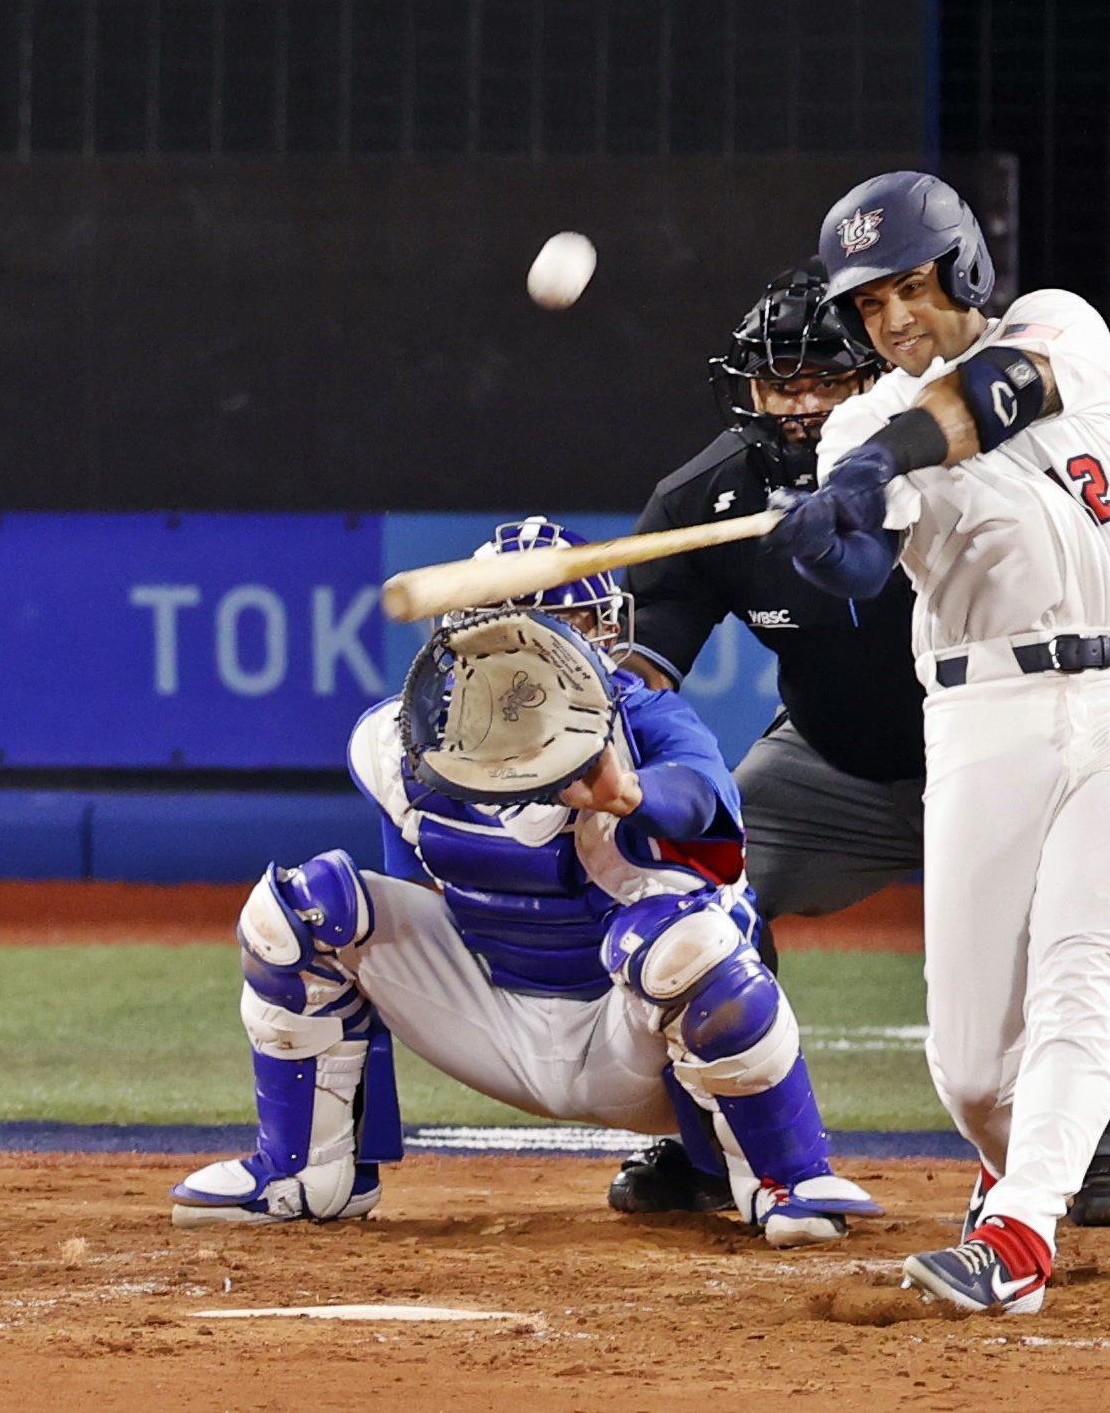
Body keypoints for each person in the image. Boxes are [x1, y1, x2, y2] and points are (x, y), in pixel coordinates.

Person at [608, 260, 1110, 1231]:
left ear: (871, 372)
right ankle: (717, 1134)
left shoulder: (935, 439)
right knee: (696, 883)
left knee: (1081, 912)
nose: (798, 402)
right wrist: (582, 710)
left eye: (822, 378)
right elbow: (645, 673)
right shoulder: (704, 499)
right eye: (775, 381)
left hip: (998, 743)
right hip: (831, 763)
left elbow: (889, 546)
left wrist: (851, 506)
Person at [170, 518, 880, 1249]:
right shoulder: (398, 740)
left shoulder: (643, 720)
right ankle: (303, 1173)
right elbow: (415, 893)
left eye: (574, 625)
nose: (560, 649)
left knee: (683, 945)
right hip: (493, 1020)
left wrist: (626, 793)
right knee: (299, 911)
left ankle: (787, 1180)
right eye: (539, 627)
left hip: (634, 1043)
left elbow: (700, 801)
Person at [769, 172, 1110, 1312]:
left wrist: (885, 457)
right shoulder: (856, 423)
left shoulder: (1059, 327)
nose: (894, 318)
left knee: (1086, 978)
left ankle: (1018, 1234)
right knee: (967, 1065)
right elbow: (868, 562)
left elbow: (998, 393)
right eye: (869, 303)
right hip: (983, 717)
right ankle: (1016, 1174)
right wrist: (832, 543)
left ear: (962, 269)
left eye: (910, 286)